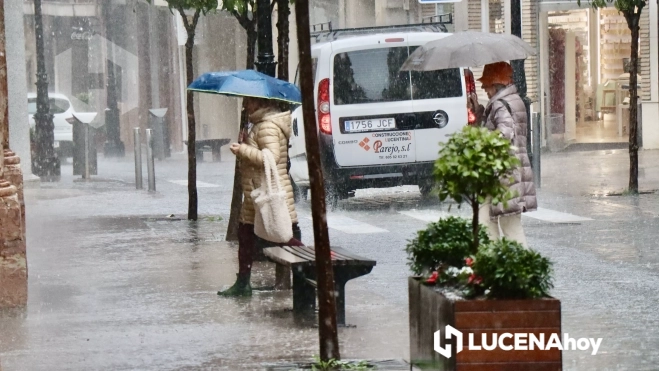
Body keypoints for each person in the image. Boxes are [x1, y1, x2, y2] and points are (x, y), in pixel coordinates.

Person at [218, 97, 304, 297]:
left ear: (260, 103)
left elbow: (271, 158)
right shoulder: (259, 125)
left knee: (281, 236)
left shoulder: (268, 126)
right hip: (256, 192)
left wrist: (244, 150)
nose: (245, 106)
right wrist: (246, 143)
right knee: (245, 236)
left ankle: (318, 263)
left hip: (266, 192)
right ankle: (242, 283)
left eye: (248, 102)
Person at [475, 62, 537, 247]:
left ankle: (523, 267)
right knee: (487, 219)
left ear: (497, 84)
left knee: (508, 224)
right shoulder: (511, 100)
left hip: (504, 173)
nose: (484, 89)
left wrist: (482, 143)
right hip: (506, 172)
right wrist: (480, 113)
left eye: (486, 85)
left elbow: (505, 132)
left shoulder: (501, 105)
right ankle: (491, 262)